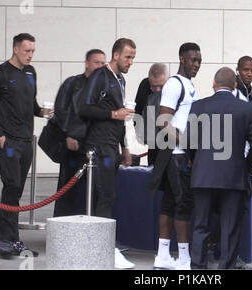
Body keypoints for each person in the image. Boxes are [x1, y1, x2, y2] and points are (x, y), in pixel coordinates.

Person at [0, 33, 52, 259]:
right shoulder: (0, 74)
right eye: (26, 51)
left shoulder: (31, 73)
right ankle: (9, 240)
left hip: (26, 140)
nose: (30, 55)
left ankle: (9, 238)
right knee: (11, 186)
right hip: (8, 141)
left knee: (16, 189)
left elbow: (31, 105)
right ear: (15, 49)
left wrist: (42, 112)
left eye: (33, 51)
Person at [187, 67, 252, 269]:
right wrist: (246, 167)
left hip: (203, 176)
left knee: (201, 225)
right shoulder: (246, 109)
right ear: (235, 85)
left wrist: (196, 161)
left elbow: (189, 142)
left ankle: (197, 270)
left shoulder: (198, 107)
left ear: (214, 83)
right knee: (230, 228)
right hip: (233, 177)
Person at [79, 38, 136, 269]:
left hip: (112, 145)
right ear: (116, 55)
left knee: (107, 196)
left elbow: (121, 117)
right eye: (127, 57)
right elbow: (84, 108)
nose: (131, 62)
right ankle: (103, 249)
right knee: (105, 196)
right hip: (98, 144)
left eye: (133, 57)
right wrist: (113, 114)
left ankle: (102, 246)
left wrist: (126, 148)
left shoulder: (120, 80)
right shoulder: (99, 76)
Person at [148, 42, 202, 270]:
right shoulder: (174, 85)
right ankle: (183, 258)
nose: (196, 65)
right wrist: (185, 143)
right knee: (183, 203)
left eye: (199, 61)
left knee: (170, 203)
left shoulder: (189, 85)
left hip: (181, 153)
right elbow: (163, 122)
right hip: (176, 155)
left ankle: (162, 256)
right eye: (193, 60)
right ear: (182, 59)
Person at [52, 49, 106, 217]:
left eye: (103, 63)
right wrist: (69, 134)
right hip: (74, 146)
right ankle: (62, 226)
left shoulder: (105, 87)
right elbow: (60, 111)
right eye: (96, 62)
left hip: (96, 145)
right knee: (68, 188)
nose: (100, 66)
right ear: (87, 63)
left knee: (96, 191)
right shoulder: (73, 83)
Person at [134, 63, 169, 165]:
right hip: (152, 141)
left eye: (161, 86)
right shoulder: (145, 85)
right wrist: (139, 131)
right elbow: (138, 110)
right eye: (154, 86)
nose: (157, 90)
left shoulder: (174, 86)